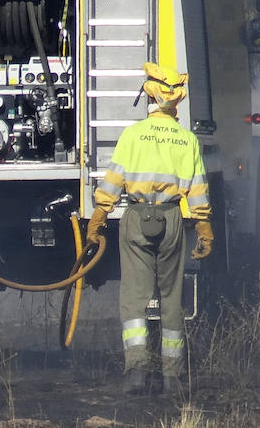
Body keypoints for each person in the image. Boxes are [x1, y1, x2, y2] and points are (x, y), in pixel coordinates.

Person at [86, 62, 213, 397]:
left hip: (137, 219)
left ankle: (137, 373)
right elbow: (198, 188)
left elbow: (114, 180)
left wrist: (99, 216)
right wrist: (203, 227)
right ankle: (172, 378)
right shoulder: (187, 141)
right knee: (171, 298)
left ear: (149, 96)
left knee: (134, 298)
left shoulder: (133, 135)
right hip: (173, 220)